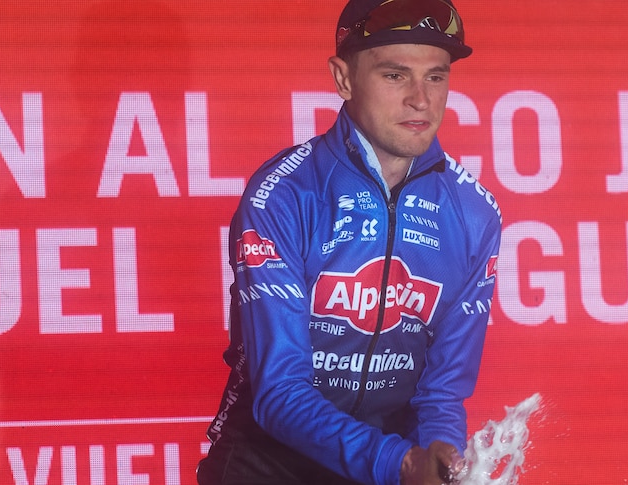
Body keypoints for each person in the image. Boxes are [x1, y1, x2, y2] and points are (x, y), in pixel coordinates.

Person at [197, 0, 501, 483]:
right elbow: (279, 393)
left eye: (436, 77)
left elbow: (441, 393)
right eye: (395, 75)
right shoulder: (285, 193)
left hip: (397, 463)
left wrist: (439, 456)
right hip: (268, 465)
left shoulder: (474, 212)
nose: (421, 100)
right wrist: (399, 463)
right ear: (343, 79)